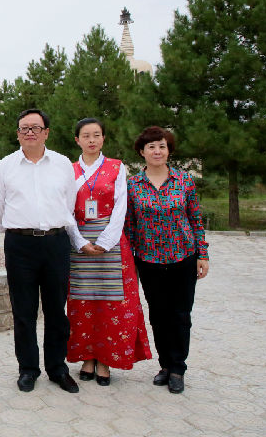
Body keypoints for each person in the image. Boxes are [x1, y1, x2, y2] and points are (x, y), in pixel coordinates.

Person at [0, 109, 86, 394]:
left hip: (56, 242)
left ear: (46, 132)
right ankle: (28, 368)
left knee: (56, 310)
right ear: (18, 133)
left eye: (36, 127)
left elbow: (68, 202)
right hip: (20, 244)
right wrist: (17, 230)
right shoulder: (5, 166)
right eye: (24, 128)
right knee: (24, 311)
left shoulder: (62, 165)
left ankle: (58, 368)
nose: (29, 132)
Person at [65, 118, 151, 386]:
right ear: (77, 140)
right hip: (78, 242)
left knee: (110, 303)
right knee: (81, 304)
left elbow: (121, 205)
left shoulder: (116, 167)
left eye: (97, 135)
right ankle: (87, 357)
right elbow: (64, 208)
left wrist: (105, 240)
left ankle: (105, 359)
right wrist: (79, 241)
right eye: (86, 135)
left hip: (111, 244)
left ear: (103, 139)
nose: (92, 140)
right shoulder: (68, 170)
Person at [125, 126, 209, 395]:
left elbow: (195, 219)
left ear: (168, 150)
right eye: (151, 147)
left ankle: (177, 368)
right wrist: (130, 261)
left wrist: (202, 254)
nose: (157, 151)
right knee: (158, 315)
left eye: (161, 146)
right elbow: (129, 225)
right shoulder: (133, 185)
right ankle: (164, 365)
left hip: (183, 257)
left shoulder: (184, 181)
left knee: (180, 315)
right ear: (142, 152)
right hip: (148, 260)